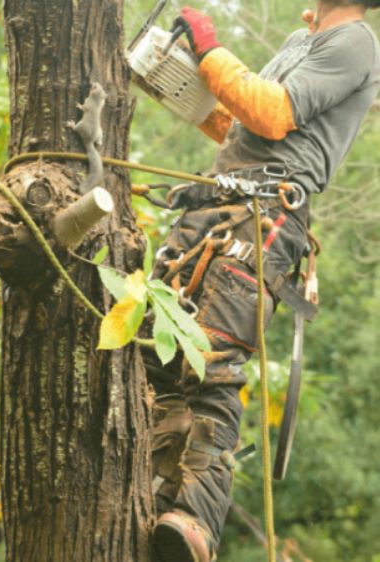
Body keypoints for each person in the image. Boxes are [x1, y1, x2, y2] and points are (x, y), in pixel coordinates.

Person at [146, 2, 380, 561]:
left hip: (265, 214)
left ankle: (196, 522)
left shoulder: (355, 42)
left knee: (213, 357)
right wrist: (177, 79)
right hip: (219, 201)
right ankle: (151, 488)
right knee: (154, 351)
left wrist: (208, 48)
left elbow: (273, 113)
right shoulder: (306, 40)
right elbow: (243, 125)